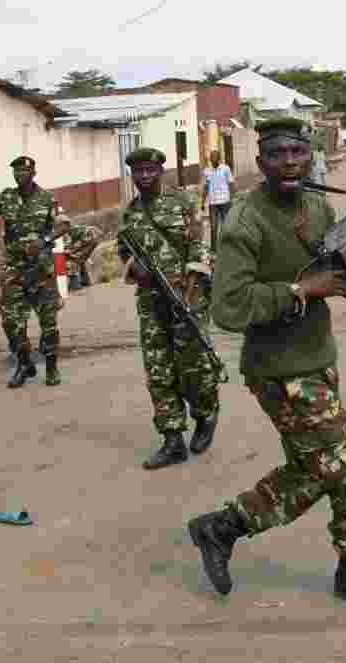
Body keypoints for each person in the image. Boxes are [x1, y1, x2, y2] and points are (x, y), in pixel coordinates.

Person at [186, 117, 346, 606]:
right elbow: (227, 308)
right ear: (260, 161)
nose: (290, 162)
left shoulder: (316, 204)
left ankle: (222, 527)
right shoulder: (244, 222)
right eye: (278, 154)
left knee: (317, 470)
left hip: (316, 358)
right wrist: (297, 290)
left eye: (298, 152)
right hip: (278, 369)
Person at [116, 147, 219, 470]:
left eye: (150, 170)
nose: (144, 177)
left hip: (187, 296)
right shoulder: (131, 212)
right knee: (158, 369)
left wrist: (188, 292)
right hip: (150, 301)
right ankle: (172, 438)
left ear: (161, 172)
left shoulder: (183, 203)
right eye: (139, 172)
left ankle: (205, 413)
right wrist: (135, 270)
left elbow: (200, 249)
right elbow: (123, 251)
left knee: (193, 366)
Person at [0, 156, 75, 387]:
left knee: (48, 322)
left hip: (41, 270)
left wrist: (44, 240)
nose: (19, 175)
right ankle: (25, 364)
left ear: (33, 173)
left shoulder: (46, 199)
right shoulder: (6, 197)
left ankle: (52, 368)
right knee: (11, 321)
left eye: (24, 171)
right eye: (16, 172)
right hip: (15, 270)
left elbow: (64, 225)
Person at [201, 150, 235, 251]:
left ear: (219, 159)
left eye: (215, 157)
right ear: (210, 159)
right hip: (213, 203)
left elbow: (231, 184)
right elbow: (206, 187)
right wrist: (202, 202)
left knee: (227, 226)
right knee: (213, 227)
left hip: (225, 201)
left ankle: (228, 247)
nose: (213, 159)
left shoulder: (225, 169)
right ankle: (214, 249)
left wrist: (232, 198)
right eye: (211, 158)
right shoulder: (207, 171)